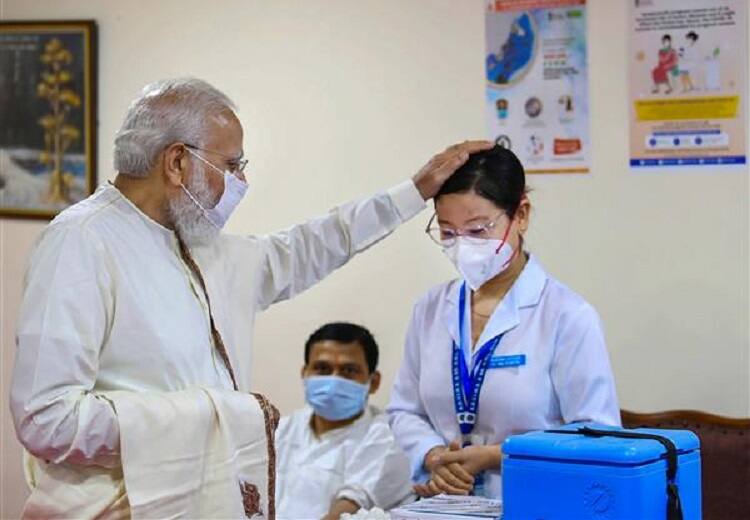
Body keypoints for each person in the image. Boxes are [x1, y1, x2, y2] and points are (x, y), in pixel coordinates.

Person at [9, 77, 491, 517]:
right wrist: (215, 419)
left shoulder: (204, 247)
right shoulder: (82, 241)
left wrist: (412, 194)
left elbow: (313, 244)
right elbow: (47, 420)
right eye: (231, 165)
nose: (241, 181)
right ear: (177, 162)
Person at [387, 145, 619, 500]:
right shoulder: (430, 309)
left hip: (537, 503)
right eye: (448, 233)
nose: (463, 247)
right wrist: (434, 457)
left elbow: (597, 436)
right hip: (447, 506)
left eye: (478, 230)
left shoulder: (567, 316)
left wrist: (496, 456)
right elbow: (405, 410)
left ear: (521, 214)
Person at [275, 322, 412, 519]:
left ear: (373, 382)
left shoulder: (390, 437)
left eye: (349, 370)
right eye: (322, 368)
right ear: (304, 373)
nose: (333, 381)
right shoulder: (282, 429)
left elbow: (350, 507)